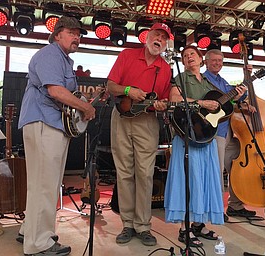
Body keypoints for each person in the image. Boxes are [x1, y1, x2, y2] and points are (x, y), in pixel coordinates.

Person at [17, 16, 96, 256]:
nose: (77, 37)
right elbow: (56, 91)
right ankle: (39, 243)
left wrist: (81, 105)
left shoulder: (63, 59)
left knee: (42, 184)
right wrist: (86, 108)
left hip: (49, 124)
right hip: (44, 122)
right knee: (45, 185)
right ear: (58, 34)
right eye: (72, 32)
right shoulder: (51, 54)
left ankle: (28, 231)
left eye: (79, 34)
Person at [107, 23, 172, 246]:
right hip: (122, 117)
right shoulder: (127, 55)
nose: (159, 40)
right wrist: (128, 90)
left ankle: (143, 225)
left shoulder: (166, 68)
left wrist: (163, 105)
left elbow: (162, 98)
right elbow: (110, 85)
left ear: (166, 44)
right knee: (124, 171)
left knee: (145, 174)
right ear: (147, 36)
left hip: (147, 120)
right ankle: (127, 224)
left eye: (164, 38)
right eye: (156, 35)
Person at [164, 45, 235, 247]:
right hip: (187, 136)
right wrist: (202, 104)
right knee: (188, 179)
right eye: (185, 56)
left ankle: (199, 224)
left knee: (205, 180)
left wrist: (237, 94)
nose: (188, 58)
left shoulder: (207, 82)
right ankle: (184, 229)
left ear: (200, 58)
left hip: (207, 138)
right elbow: (175, 99)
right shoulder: (181, 78)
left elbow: (224, 107)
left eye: (192, 54)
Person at [203, 49, 256, 220]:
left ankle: (236, 205)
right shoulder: (204, 80)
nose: (217, 63)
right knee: (217, 172)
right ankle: (217, 209)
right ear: (206, 62)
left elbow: (236, 97)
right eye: (214, 61)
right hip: (216, 131)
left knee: (237, 168)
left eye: (220, 60)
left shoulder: (222, 81)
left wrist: (246, 80)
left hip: (230, 131)